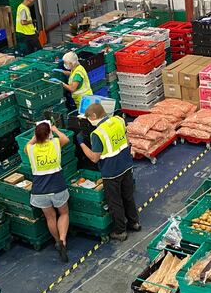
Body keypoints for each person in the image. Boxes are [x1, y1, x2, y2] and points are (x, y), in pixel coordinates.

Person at [78, 103, 140, 242]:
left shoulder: (97, 134)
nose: (89, 121)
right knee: (128, 195)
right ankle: (134, 222)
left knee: (115, 201)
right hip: (126, 165)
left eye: (89, 118)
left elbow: (94, 158)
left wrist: (81, 143)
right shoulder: (118, 120)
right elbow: (127, 140)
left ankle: (120, 231)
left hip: (111, 173)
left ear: (94, 116)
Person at [26, 121, 71, 262]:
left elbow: (29, 144)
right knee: (63, 213)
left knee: (50, 217)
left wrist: (35, 136)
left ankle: (57, 241)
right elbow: (66, 139)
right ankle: (63, 240)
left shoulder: (31, 149)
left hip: (39, 191)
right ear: (49, 134)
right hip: (57, 187)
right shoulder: (55, 144)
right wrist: (55, 129)